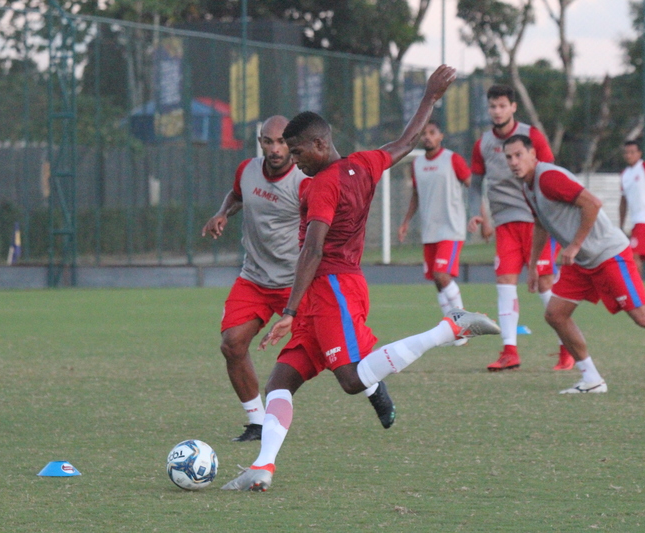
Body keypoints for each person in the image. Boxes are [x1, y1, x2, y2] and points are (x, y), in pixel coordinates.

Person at [221, 65, 501, 492]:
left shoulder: (322, 187)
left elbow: (313, 249)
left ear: (320, 144)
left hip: (332, 287)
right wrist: (430, 96)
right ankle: (263, 467)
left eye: (297, 153)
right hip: (331, 288)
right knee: (282, 379)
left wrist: (288, 311)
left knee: (353, 380)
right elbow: (406, 142)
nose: (293, 161)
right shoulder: (365, 164)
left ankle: (449, 328)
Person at [201, 116, 393, 442]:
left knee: (340, 359)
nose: (276, 150)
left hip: (299, 283)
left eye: (282, 144)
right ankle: (258, 422)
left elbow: (315, 245)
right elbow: (237, 195)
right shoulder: (247, 171)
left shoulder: (307, 180)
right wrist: (222, 212)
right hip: (255, 277)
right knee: (232, 344)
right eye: (268, 142)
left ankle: (373, 386)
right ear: (260, 142)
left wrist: (291, 308)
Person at [503, 134, 645, 393]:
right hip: (583, 263)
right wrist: (533, 265)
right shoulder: (527, 187)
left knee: (643, 317)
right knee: (555, 315)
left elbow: (592, 204)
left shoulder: (548, 177)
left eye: (519, 155)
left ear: (533, 154)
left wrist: (574, 245)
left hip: (609, 254)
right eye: (509, 157)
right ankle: (592, 379)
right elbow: (540, 223)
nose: (514, 162)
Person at [467, 84, 573, 372]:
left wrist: (555, 216)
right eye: (492, 106)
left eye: (502, 105)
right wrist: (477, 214)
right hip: (504, 225)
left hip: (536, 222)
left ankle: (568, 349)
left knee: (544, 284)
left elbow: (550, 174)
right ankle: (510, 351)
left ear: (513, 107)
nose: (497, 111)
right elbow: (475, 185)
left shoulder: (532, 136)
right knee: (504, 284)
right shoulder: (483, 144)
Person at [398, 121, 472, 334]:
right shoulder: (417, 164)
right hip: (429, 231)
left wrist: (480, 216)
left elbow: (472, 186)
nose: (427, 137)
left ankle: (463, 324)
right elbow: (416, 196)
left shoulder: (452, 159)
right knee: (437, 283)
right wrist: (405, 222)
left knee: (441, 274)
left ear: (441, 136)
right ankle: (453, 330)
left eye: (432, 133)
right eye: (424, 134)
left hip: (451, 228)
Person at [619, 140, 645, 305]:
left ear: (639, 153)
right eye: (626, 152)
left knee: (634, 256)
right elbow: (624, 200)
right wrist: (620, 225)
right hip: (637, 221)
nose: (629, 155)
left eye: (632, 152)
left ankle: (639, 293)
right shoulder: (625, 174)